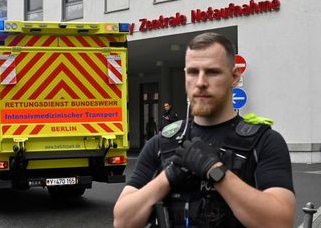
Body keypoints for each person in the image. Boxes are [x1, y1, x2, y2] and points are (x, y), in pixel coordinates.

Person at [113, 32, 295, 228]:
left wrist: (215, 171)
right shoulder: (160, 144)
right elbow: (123, 221)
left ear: (234, 77)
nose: (200, 82)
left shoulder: (265, 142)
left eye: (212, 72)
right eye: (193, 72)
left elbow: (280, 222)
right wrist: (168, 176)